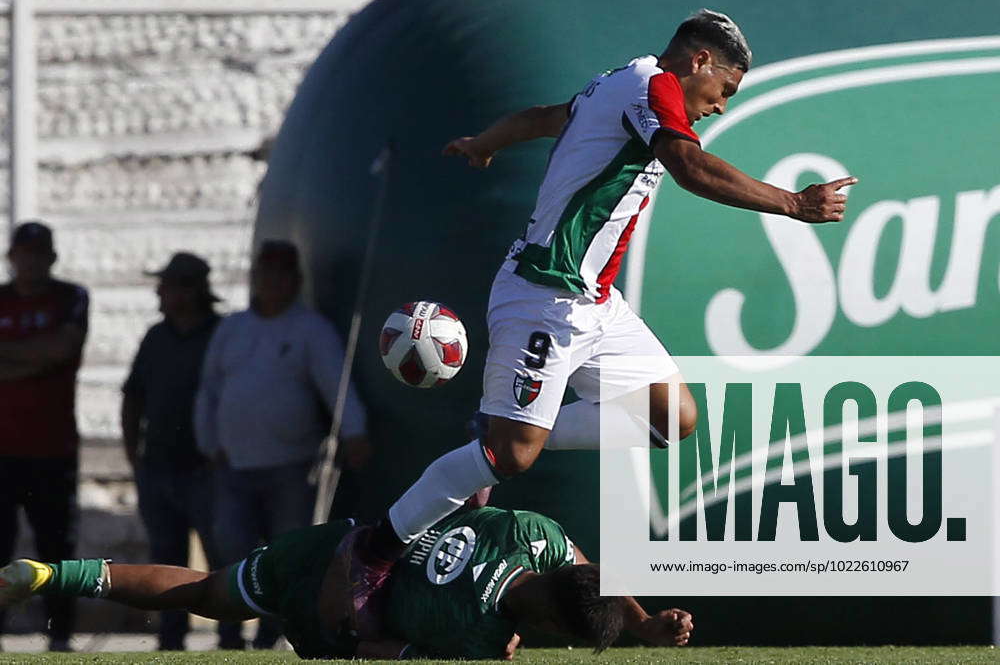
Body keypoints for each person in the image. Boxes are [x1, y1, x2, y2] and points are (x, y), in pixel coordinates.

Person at [344, 8, 859, 612]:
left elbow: (545, 119)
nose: (720, 106)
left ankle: (498, 427)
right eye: (724, 90)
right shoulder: (652, 88)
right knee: (511, 460)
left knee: (673, 419)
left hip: (595, 304)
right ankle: (375, 551)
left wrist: (486, 143)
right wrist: (794, 204)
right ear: (698, 62)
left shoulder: (619, 81)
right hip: (544, 295)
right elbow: (688, 167)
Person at [0, 507, 694, 659]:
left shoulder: (535, 535)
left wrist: (639, 621)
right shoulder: (474, 638)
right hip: (331, 603)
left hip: (338, 541)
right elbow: (373, 651)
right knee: (211, 603)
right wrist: (349, 632)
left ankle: (50, 572)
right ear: (544, 625)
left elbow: (583, 566)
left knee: (206, 589)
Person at [194, 239, 369, 648]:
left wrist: (355, 432)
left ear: (295, 280)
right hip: (233, 465)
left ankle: (272, 636)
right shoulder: (232, 328)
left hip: (290, 466)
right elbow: (209, 390)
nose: (271, 281)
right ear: (254, 276)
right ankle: (228, 634)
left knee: (285, 558)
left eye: (281, 273)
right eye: (265, 272)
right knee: (230, 552)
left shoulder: (310, 329)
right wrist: (208, 442)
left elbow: (335, 385)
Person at [121, 251, 243, 650]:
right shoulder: (157, 336)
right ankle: (171, 638)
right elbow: (133, 396)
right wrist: (133, 454)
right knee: (166, 557)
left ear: (191, 290)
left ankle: (230, 636)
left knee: (220, 555)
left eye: (169, 285)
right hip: (158, 466)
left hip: (206, 468)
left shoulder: (220, 335)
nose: (161, 292)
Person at [0, 221, 88, 652]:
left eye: (39, 253)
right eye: (23, 253)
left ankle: (59, 635)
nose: (30, 262)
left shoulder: (70, 298)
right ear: (11, 256)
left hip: (53, 448)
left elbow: (62, 350)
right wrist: (36, 357)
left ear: (51, 257)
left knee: (56, 549)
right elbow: (45, 354)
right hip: (2, 449)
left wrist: (15, 357)